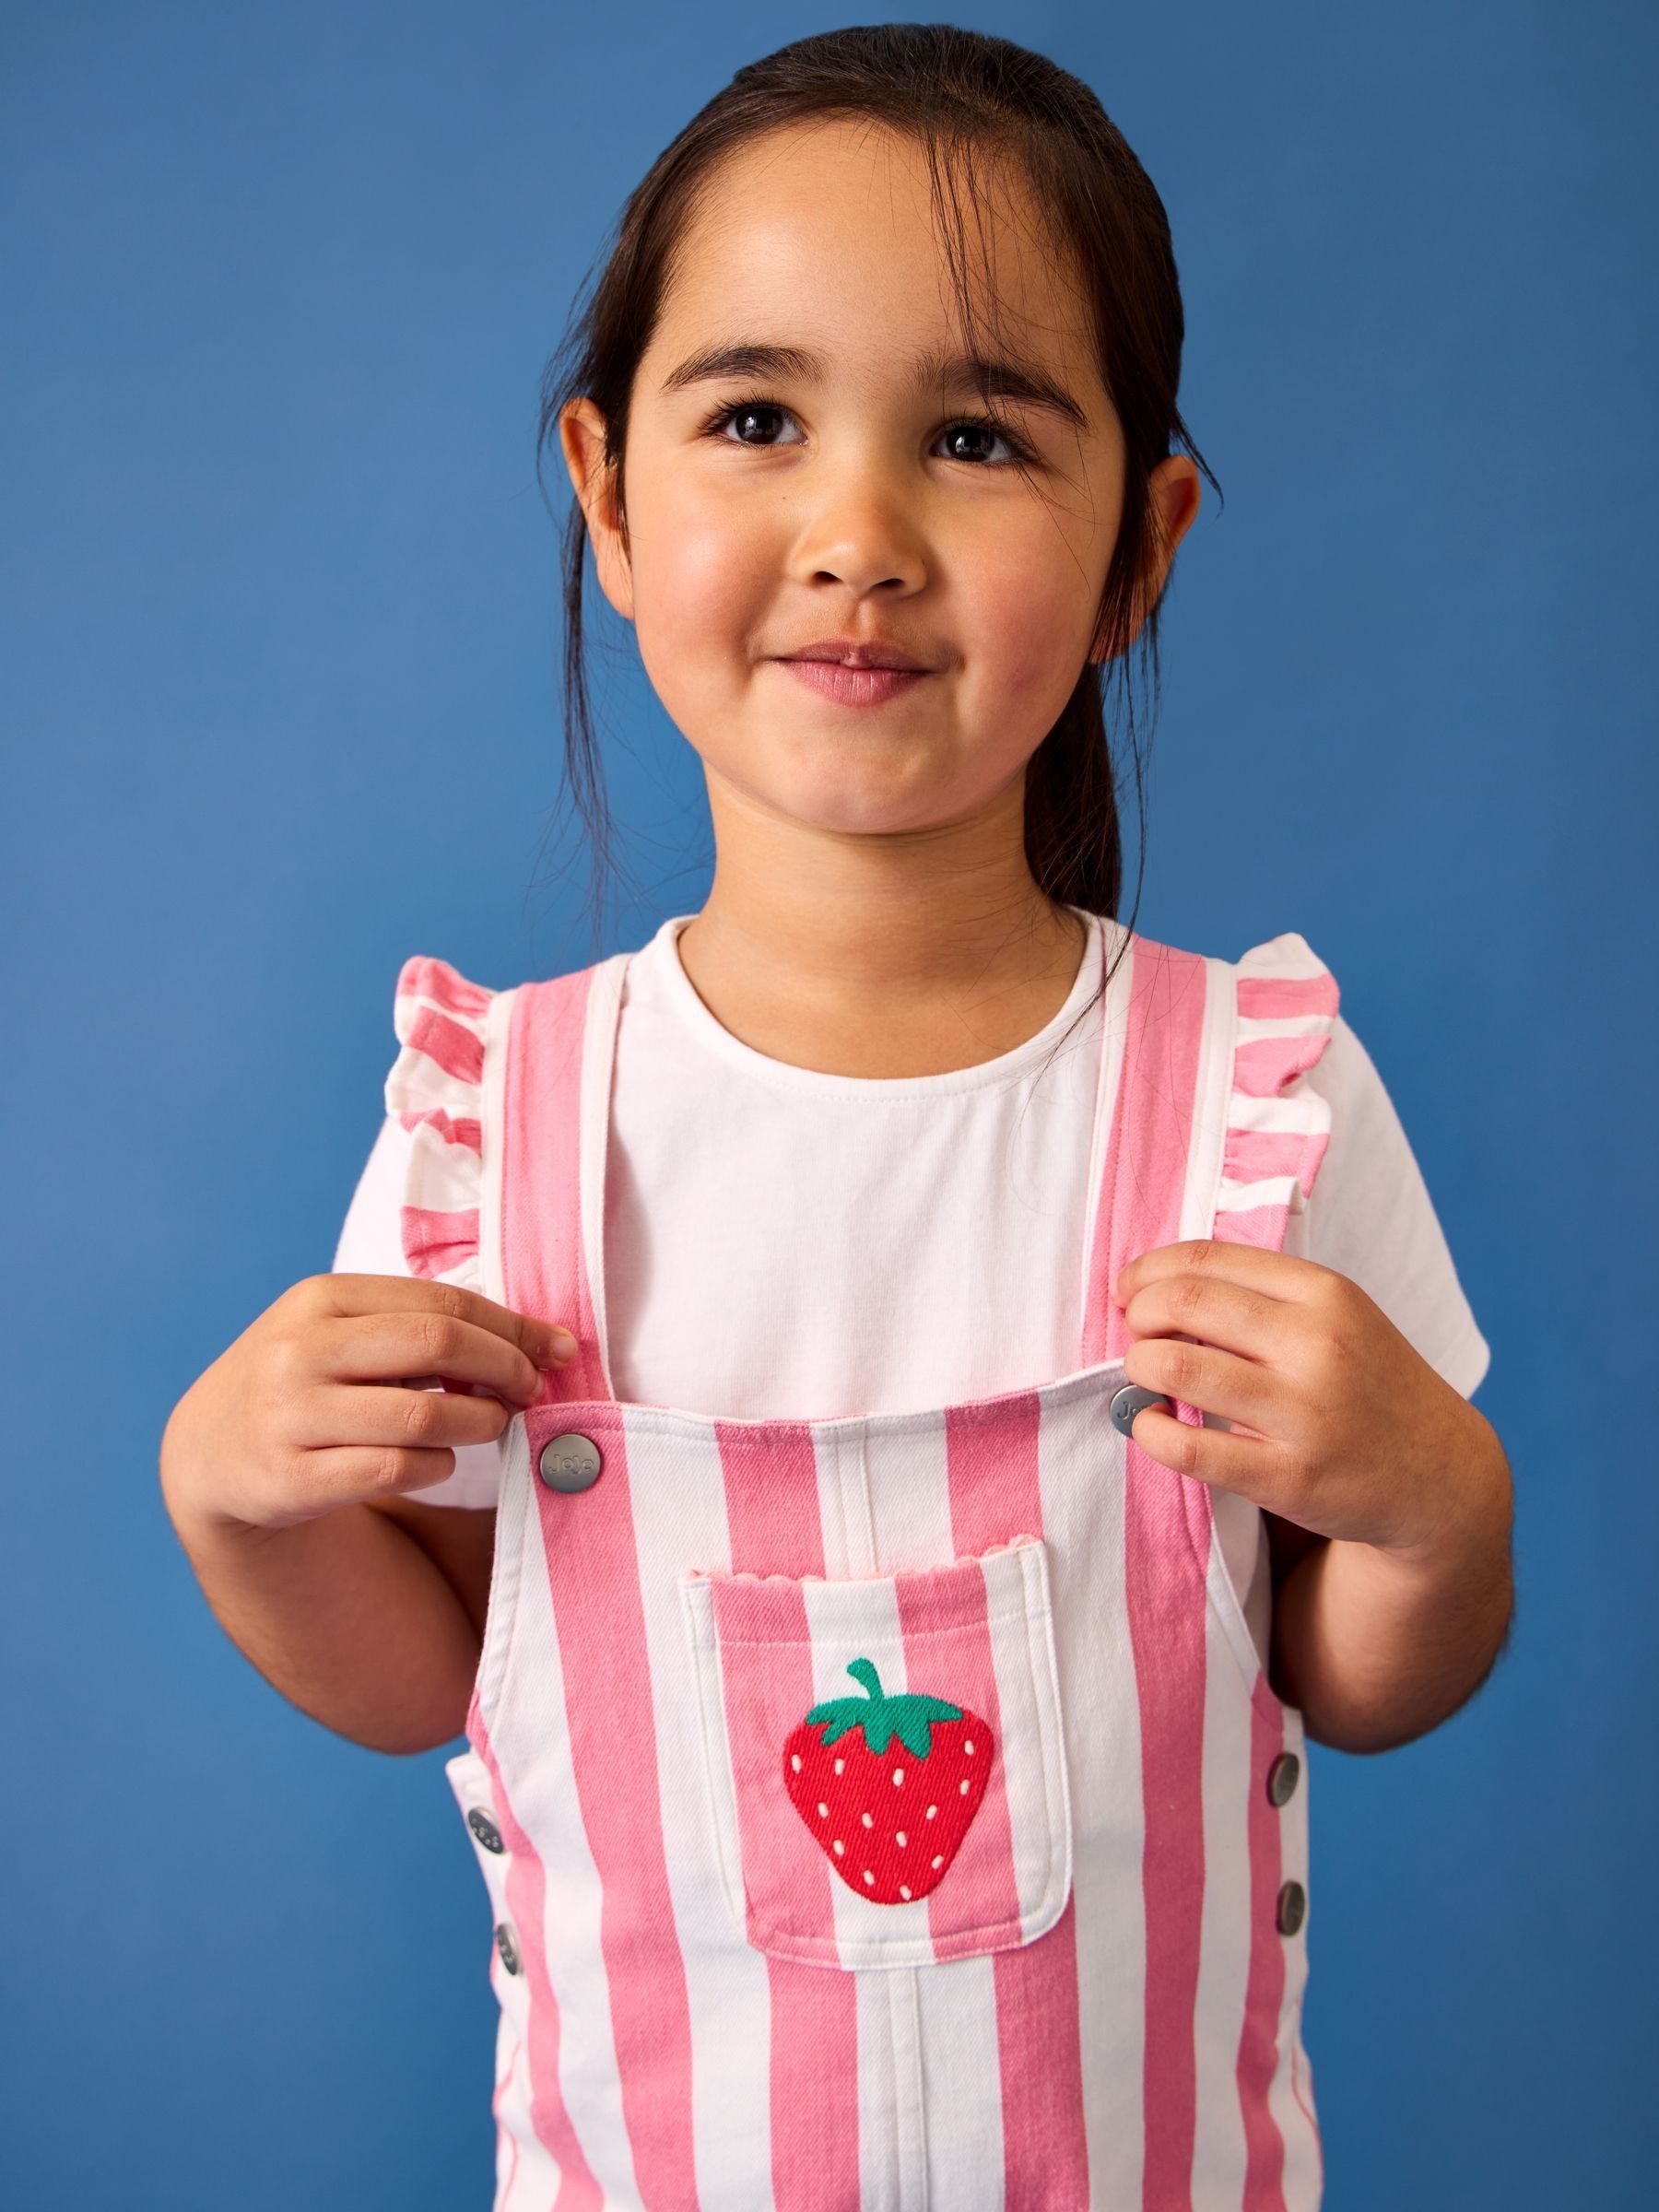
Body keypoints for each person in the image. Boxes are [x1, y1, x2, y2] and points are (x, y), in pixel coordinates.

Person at [159, 25, 1512, 2209]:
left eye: (976, 436)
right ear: (608, 493)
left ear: (1140, 543)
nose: (859, 533)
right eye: (760, 419)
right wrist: (242, 1508)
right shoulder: (494, 1134)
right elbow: (438, 1668)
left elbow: (1348, 1678)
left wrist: (1441, 1516)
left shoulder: (1252, 1106)